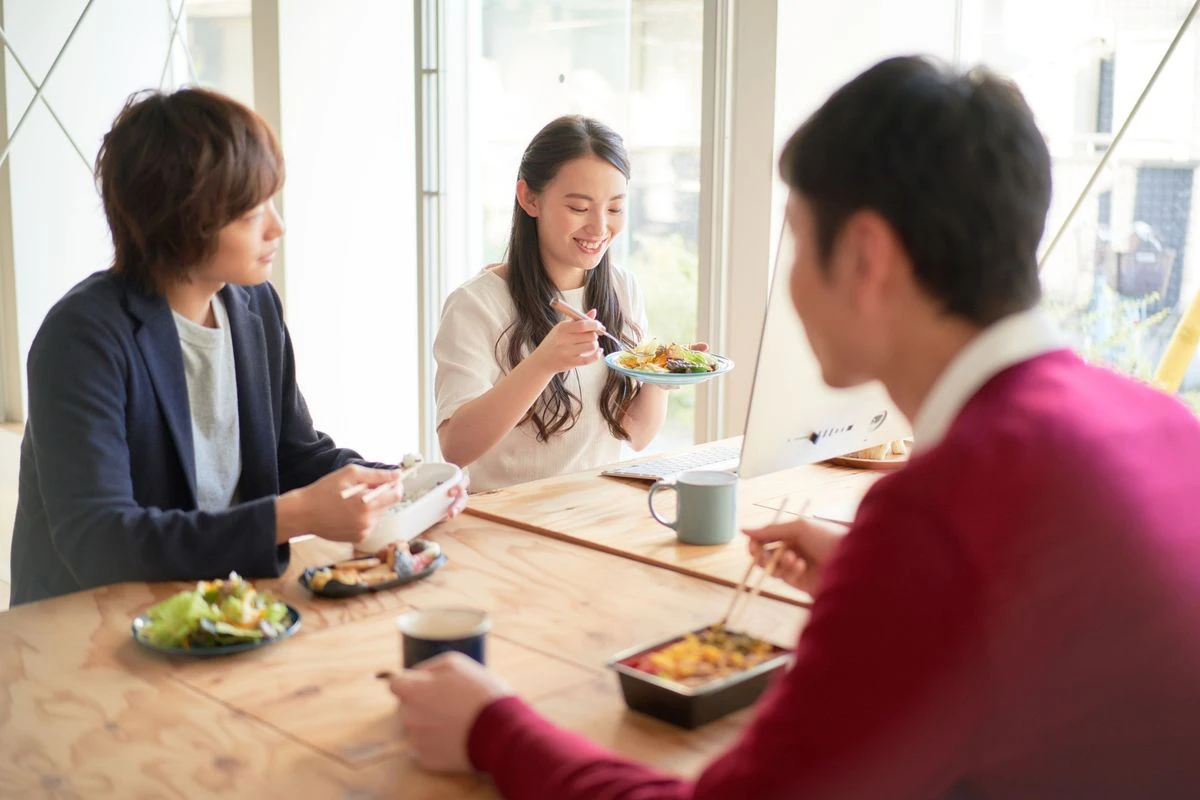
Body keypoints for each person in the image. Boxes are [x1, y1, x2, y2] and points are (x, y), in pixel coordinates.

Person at [389, 56, 1200, 797]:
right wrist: (882, 582)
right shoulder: (1166, 428)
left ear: (866, 258)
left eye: (798, 243)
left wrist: (494, 728)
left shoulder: (931, 519)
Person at [10, 88, 464, 606]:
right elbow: (99, 540)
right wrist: (296, 515)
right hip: (85, 624)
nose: (278, 226)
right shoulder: (82, 337)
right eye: (252, 213)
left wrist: (403, 488)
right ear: (182, 219)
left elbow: (293, 453)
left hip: (221, 599)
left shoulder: (253, 305)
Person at [433, 116, 691, 492]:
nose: (600, 227)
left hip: (596, 510)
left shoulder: (622, 288)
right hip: (508, 520)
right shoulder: (475, 304)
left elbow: (636, 434)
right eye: (579, 208)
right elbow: (455, 447)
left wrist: (661, 377)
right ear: (529, 198)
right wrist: (543, 363)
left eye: (615, 209)